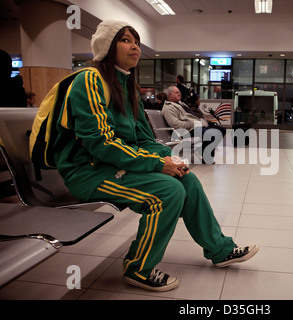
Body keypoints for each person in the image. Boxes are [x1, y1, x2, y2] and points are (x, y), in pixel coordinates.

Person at [53, 20, 258, 292]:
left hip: (114, 164)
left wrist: (168, 158)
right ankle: (137, 268)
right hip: (88, 172)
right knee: (168, 192)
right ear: (106, 46)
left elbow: (143, 139)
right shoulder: (89, 81)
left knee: (188, 181)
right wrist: (156, 163)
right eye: (125, 40)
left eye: (136, 41)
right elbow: (101, 144)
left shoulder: (127, 87)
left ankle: (220, 250)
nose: (135, 46)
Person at [162, 86, 225, 164]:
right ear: (170, 94)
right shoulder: (168, 108)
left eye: (179, 92)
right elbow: (175, 124)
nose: (179, 94)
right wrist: (193, 123)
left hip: (195, 125)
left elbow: (190, 115)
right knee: (212, 134)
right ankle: (207, 157)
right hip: (186, 130)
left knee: (220, 131)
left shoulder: (181, 103)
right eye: (176, 93)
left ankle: (202, 150)